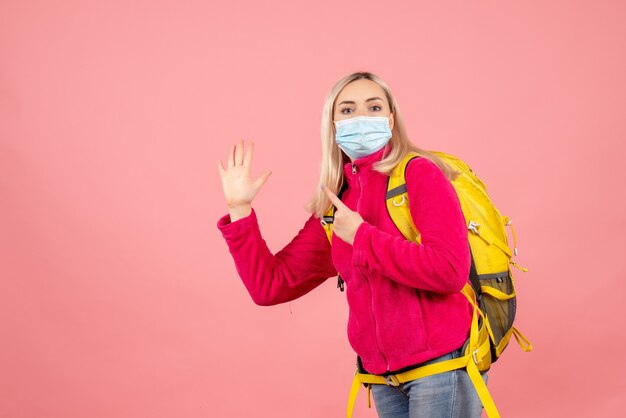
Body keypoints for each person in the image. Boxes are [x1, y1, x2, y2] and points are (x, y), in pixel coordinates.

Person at [216, 71, 486, 418]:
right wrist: (240, 210)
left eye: (374, 107)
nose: (361, 118)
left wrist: (362, 236)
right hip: (383, 379)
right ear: (332, 123)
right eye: (347, 110)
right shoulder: (337, 201)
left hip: (442, 368)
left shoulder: (420, 174)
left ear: (391, 119)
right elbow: (270, 286)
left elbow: (450, 271)